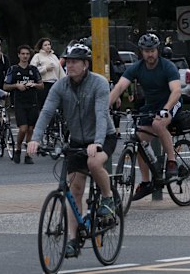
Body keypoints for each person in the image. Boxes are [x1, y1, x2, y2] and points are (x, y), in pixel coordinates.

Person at [27, 43, 117, 259]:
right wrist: (35, 139)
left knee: (94, 163)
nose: (69, 65)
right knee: (74, 189)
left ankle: (108, 198)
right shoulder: (61, 86)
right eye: (67, 61)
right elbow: (47, 111)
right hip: (77, 140)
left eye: (75, 61)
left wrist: (96, 143)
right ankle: (73, 239)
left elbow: (101, 114)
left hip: (103, 137)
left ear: (86, 64)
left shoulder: (99, 83)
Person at [109, 33, 182, 200]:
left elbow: (176, 90)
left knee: (158, 124)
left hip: (171, 102)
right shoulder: (137, 67)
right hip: (151, 105)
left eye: (153, 50)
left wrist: (166, 109)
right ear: (141, 51)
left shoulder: (167, 66)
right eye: (146, 51)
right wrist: (104, 107)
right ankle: (146, 181)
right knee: (139, 139)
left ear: (158, 50)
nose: (150, 54)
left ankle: (171, 162)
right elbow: (120, 86)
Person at [4, 45, 43, 164]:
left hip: (32, 102)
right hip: (20, 102)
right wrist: (16, 86)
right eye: (23, 54)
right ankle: (18, 148)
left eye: (27, 54)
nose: (25, 56)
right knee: (23, 128)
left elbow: (41, 85)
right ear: (19, 55)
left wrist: (34, 85)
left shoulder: (33, 69)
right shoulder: (13, 69)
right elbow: (5, 86)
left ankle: (28, 154)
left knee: (31, 128)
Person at [30, 37, 65, 109]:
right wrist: (45, 68)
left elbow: (60, 70)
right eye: (45, 45)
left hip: (55, 83)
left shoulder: (54, 56)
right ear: (41, 47)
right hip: (44, 84)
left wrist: (64, 81)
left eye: (49, 44)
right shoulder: (37, 56)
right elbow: (32, 70)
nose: (48, 46)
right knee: (44, 105)